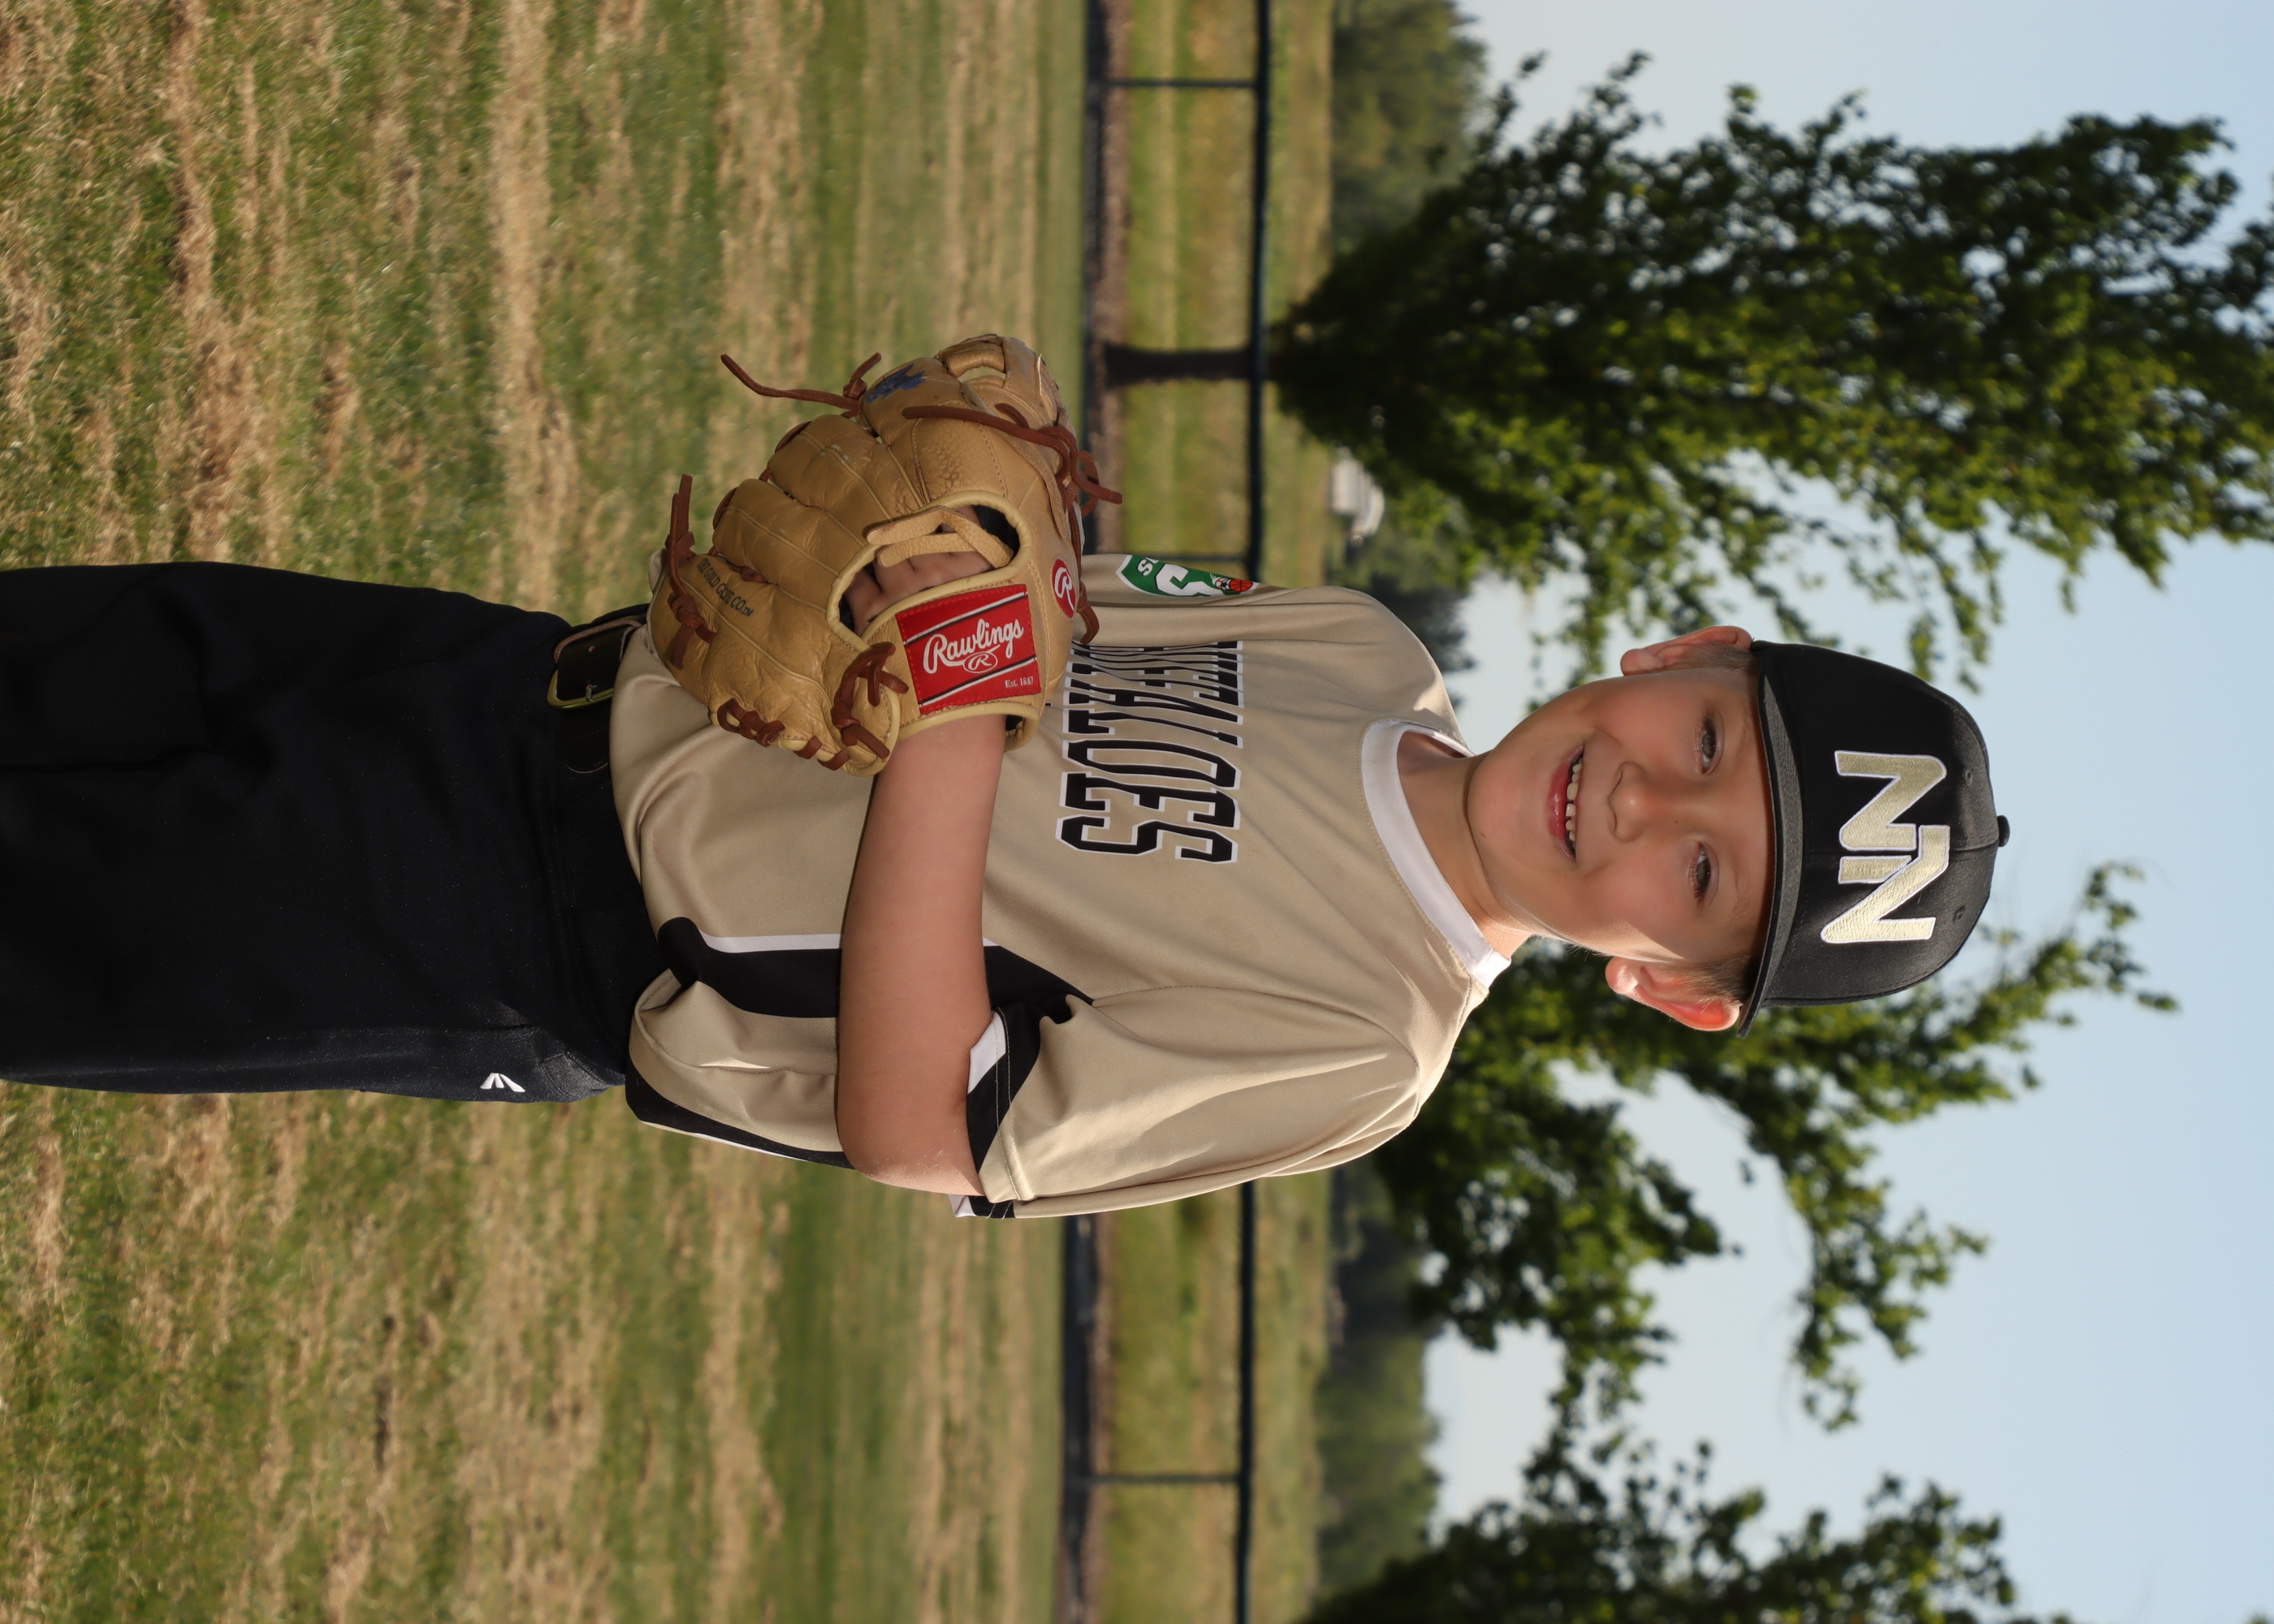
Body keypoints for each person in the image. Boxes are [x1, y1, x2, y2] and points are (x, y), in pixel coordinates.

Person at [0, 516, 2002, 1220]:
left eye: (1701, 883)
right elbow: (999, 612)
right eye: (1706, 745)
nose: (1642, 811)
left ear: (1669, 986)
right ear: (1680, 654)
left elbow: (923, 1119)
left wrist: (950, 724)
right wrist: (934, 541)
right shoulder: (1357, 648)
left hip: (511, 928)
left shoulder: (1361, 1041)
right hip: (521, 677)